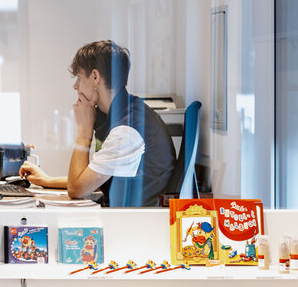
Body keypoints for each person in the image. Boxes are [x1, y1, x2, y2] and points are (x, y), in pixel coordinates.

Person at [19, 40, 179, 207]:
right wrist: (46, 180)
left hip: (133, 219)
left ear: (95, 77)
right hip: (128, 213)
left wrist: (84, 131)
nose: (75, 86)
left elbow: (77, 189)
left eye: (79, 77)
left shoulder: (126, 130)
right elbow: (92, 178)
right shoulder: (126, 113)